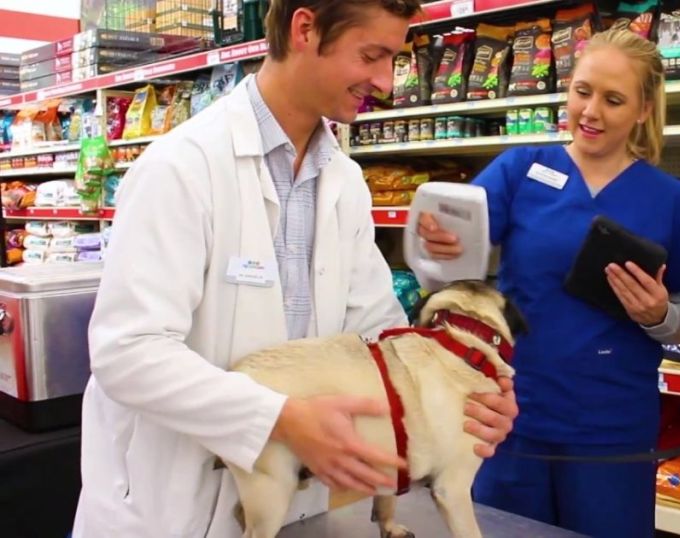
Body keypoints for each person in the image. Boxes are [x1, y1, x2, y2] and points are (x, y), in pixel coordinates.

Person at [72, 1, 518, 536]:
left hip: (297, 510)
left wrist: (466, 384)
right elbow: (127, 352)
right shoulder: (181, 169)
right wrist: (278, 419)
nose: (385, 81)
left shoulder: (345, 181)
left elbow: (378, 334)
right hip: (172, 507)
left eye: (392, 60)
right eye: (372, 55)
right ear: (305, 29)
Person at [418, 29, 680, 538]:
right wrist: (439, 245)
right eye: (582, 91)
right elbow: (451, 263)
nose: (591, 111)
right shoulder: (521, 171)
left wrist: (660, 315)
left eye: (613, 100)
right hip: (510, 416)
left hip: (612, 431)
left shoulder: (670, 201)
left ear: (643, 110)